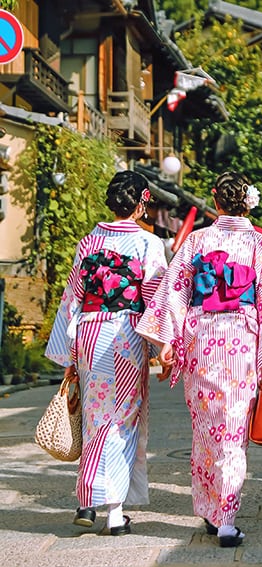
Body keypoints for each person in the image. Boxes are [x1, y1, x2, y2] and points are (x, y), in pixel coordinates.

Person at [136, 172, 262, 547]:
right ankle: (225, 518)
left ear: (216, 198)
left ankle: (212, 510)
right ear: (248, 201)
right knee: (232, 432)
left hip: (200, 339)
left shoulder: (197, 239)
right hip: (242, 340)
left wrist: (167, 341)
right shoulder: (260, 245)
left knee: (206, 429)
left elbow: (175, 292)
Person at [45, 170, 168, 536]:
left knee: (95, 415)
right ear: (142, 202)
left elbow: (73, 297)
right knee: (122, 419)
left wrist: (68, 354)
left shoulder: (89, 242)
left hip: (89, 331)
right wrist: (164, 347)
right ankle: (114, 512)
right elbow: (154, 299)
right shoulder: (148, 245)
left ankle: (87, 499)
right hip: (126, 335)